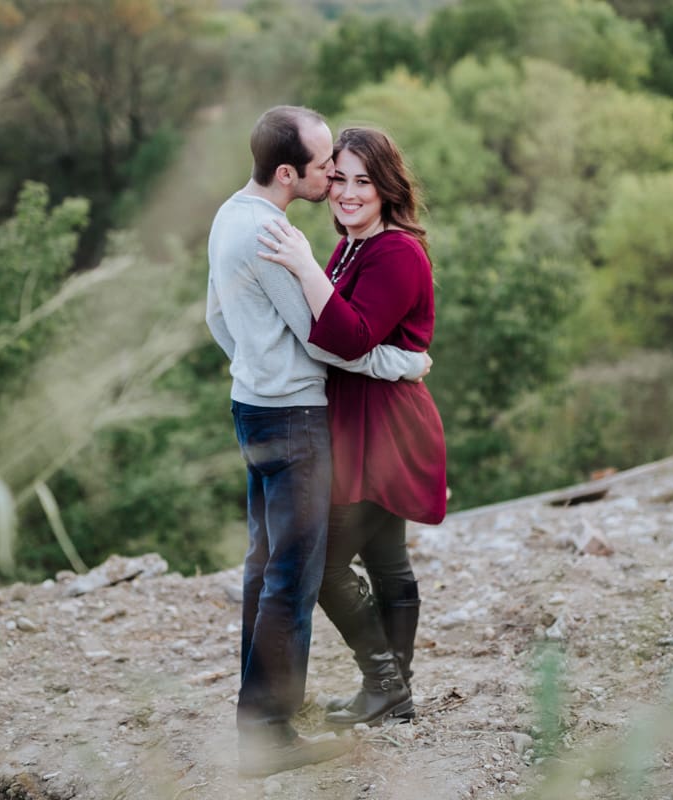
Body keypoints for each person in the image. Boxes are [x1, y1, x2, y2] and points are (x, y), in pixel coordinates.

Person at [205, 107, 431, 777]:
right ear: (287, 173)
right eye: (325, 164)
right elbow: (324, 337)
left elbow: (215, 314)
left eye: (349, 168)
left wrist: (252, 363)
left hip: (252, 405)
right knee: (292, 579)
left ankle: (262, 716)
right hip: (295, 419)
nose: (333, 174)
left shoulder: (229, 216)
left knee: (264, 566)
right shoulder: (276, 234)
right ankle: (269, 734)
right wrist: (405, 363)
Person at [257, 126, 447, 728]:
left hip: (385, 430)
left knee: (326, 564)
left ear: (387, 187)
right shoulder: (353, 247)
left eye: (363, 181)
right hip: (360, 420)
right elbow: (341, 341)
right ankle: (395, 694)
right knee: (386, 557)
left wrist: (305, 267)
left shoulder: (396, 252)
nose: (347, 192)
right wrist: (406, 360)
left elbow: (347, 335)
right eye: (339, 178)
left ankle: (385, 683)